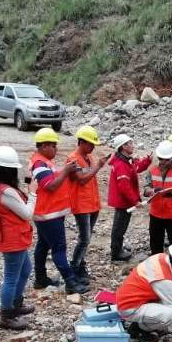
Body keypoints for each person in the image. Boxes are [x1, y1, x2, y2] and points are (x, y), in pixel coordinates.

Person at [0, 146, 37, 330]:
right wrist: (33, 193)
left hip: (11, 237)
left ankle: (15, 303)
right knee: (11, 277)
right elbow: (27, 213)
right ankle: (6, 314)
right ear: (9, 170)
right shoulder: (6, 192)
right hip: (13, 239)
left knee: (25, 269)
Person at [27, 128, 82, 292]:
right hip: (48, 214)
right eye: (53, 146)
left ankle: (40, 278)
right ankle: (71, 282)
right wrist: (66, 171)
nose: (56, 149)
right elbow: (50, 186)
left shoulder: (42, 161)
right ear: (44, 146)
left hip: (48, 213)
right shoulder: (39, 163)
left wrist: (65, 170)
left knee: (43, 245)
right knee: (59, 248)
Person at [66, 125, 105, 292]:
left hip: (92, 204)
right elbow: (81, 179)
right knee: (84, 239)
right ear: (81, 142)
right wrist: (98, 166)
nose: (93, 147)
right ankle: (73, 270)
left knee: (86, 238)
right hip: (81, 206)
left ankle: (80, 266)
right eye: (90, 144)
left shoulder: (88, 157)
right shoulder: (73, 159)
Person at [107, 134, 152, 261]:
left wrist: (147, 160)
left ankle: (118, 248)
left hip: (124, 201)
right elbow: (124, 187)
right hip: (123, 202)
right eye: (130, 143)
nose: (133, 145)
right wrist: (135, 201)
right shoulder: (121, 165)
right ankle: (116, 252)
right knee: (119, 226)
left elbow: (136, 168)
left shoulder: (126, 160)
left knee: (121, 225)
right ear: (123, 147)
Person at [144, 140, 172, 255]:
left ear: (171, 157)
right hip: (156, 214)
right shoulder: (151, 170)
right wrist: (153, 191)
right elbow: (145, 190)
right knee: (155, 246)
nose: (163, 161)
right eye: (161, 159)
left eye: (166, 159)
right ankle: (157, 269)